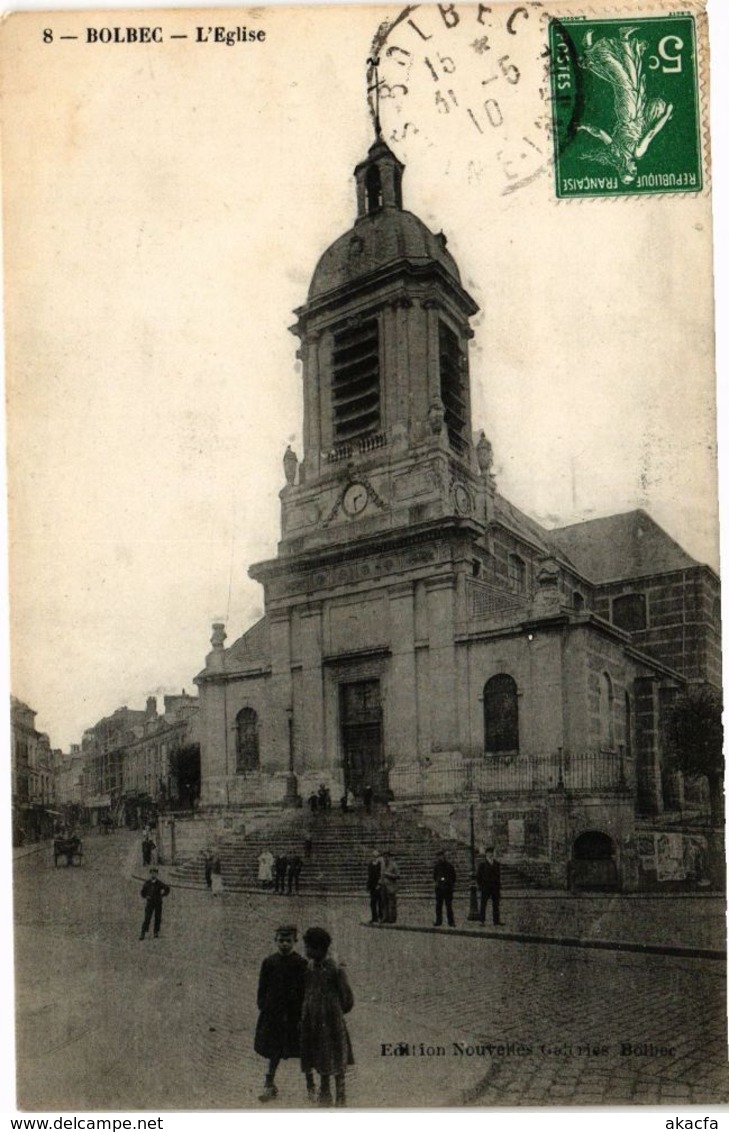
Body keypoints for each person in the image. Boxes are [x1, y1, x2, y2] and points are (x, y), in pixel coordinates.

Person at [254, 925, 314, 1103]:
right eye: (281, 940)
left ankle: (311, 1086)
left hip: (294, 1016)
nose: (284, 944)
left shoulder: (301, 963)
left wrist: (304, 1012)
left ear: (295, 941)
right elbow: (262, 987)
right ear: (275, 941)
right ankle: (269, 1084)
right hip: (275, 1015)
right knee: (274, 1050)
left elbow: (306, 989)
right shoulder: (269, 962)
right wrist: (263, 1006)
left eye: (288, 941)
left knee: (304, 1051)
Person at [300, 926, 354, 1107]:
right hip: (314, 1022)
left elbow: (347, 999)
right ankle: (324, 1092)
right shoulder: (309, 968)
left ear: (320, 949)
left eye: (309, 948)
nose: (306, 951)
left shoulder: (335, 969)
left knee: (337, 1056)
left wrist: (335, 1011)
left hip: (332, 1023)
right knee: (320, 1056)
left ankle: (341, 1093)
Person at [139, 866, 170, 939]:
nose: (153, 875)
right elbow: (142, 892)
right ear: (150, 874)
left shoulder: (159, 883)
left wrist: (162, 895)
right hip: (149, 903)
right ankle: (143, 932)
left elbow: (167, 888)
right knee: (147, 918)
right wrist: (146, 896)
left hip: (158, 903)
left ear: (157, 875)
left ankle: (156, 932)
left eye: (155, 873)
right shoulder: (147, 883)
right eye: (152, 873)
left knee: (157, 918)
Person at [476, 846, 503, 925]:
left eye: (491, 853)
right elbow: (478, 877)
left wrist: (499, 886)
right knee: (483, 904)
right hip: (486, 887)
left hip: (495, 887)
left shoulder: (497, 864)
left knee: (496, 905)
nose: (490, 854)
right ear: (486, 854)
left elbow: (498, 876)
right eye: (489, 853)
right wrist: (480, 886)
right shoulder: (482, 865)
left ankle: (496, 921)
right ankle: (482, 920)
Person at [433, 848, 456, 927]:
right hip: (439, 889)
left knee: (449, 906)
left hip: (447, 888)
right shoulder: (436, 866)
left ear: (444, 856)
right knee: (438, 906)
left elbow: (453, 877)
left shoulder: (449, 866)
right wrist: (440, 881)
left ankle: (451, 922)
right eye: (438, 856)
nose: (440, 858)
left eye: (441, 856)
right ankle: (438, 921)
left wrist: (445, 880)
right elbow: (435, 876)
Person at [380, 851, 400, 924]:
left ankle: (392, 918)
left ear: (389, 857)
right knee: (384, 903)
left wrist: (388, 874)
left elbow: (398, 875)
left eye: (386, 857)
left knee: (392, 903)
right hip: (384, 886)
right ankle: (385, 917)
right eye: (384, 857)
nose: (385, 859)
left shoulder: (394, 865)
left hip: (391, 887)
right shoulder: (383, 865)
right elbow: (381, 875)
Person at [366, 849, 383, 923]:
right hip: (372, 886)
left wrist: (379, 884)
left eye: (376, 856)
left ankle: (381, 916)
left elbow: (381, 875)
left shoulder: (381, 864)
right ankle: (374, 917)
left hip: (379, 885)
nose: (375, 857)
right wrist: (368, 886)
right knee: (372, 903)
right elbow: (369, 876)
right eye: (373, 856)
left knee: (380, 902)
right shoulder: (370, 864)